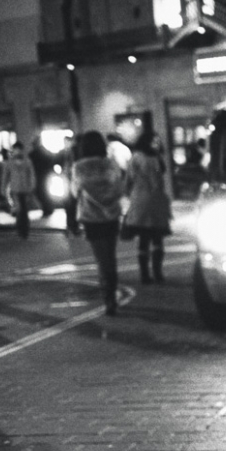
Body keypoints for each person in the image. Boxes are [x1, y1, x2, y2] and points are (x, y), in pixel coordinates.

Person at [71, 131, 127, 315]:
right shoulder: (110, 165)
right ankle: (112, 293)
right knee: (110, 258)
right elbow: (120, 188)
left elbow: (74, 192)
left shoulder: (79, 167)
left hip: (91, 217)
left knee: (101, 260)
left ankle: (108, 299)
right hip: (111, 216)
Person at [124, 131, 172, 284]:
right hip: (157, 200)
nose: (157, 144)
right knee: (157, 238)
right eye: (155, 141)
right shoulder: (157, 158)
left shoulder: (135, 157)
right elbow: (160, 175)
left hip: (140, 200)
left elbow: (128, 180)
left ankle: (144, 274)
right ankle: (158, 273)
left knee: (143, 239)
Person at [2, 141, 37, 239]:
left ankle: (24, 230)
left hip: (26, 189)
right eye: (15, 149)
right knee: (19, 210)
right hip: (15, 189)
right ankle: (21, 230)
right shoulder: (10, 162)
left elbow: (32, 175)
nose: (17, 151)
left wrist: (32, 186)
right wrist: (3, 189)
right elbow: (5, 177)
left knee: (24, 210)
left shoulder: (27, 161)